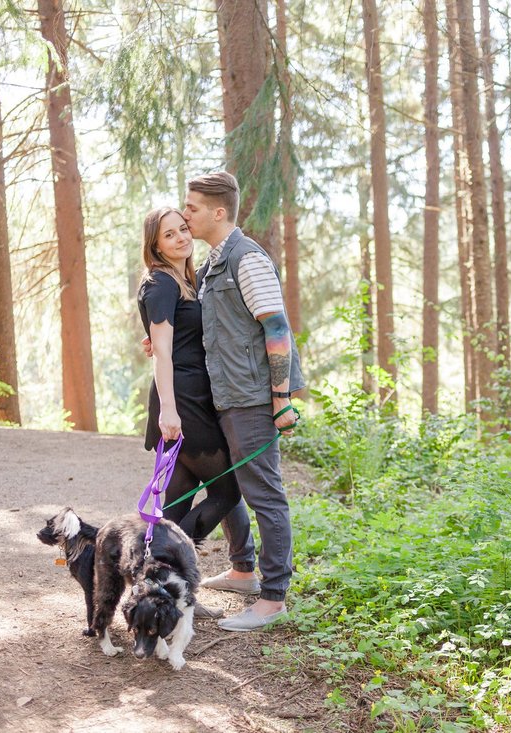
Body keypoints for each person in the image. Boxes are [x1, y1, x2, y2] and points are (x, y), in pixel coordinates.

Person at [182, 171, 305, 632]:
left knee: (264, 495)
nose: (185, 213)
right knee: (228, 483)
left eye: (192, 207)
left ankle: (273, 599)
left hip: (254, 398)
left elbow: (276, 328)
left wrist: (281, 400)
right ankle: (242, 571)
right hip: (225, 395)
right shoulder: (214, 262)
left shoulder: (247, 259)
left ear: (218, 212)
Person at [136, 207, 242, 553]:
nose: (181, 237)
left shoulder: (186, 280)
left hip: (193, 394)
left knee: (179, 498)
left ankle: (155, 583)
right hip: (182, 400)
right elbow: (163, 353)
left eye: (182, 229)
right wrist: (169, 410)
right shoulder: (161, 283)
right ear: (155, 245)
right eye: (169, 234)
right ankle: (168, 562)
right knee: (227, 491)